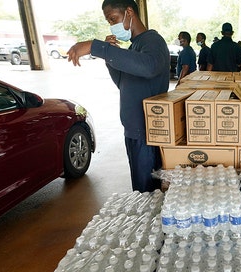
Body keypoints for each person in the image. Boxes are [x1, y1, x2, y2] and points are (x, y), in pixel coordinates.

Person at [67, 0, 170, 193]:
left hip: (146, 133)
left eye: (113, 19)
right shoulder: (134, 46)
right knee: (141, 191)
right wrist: (110, 57)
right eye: (108, 21)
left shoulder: (152, 41)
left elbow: (148, 67)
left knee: (147, 194)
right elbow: (123, 83)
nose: (112, 25)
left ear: (129, 12)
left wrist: (97, 47)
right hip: (133, 131)